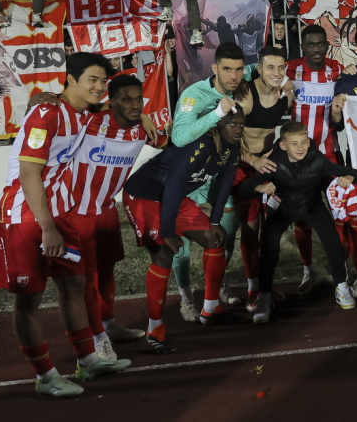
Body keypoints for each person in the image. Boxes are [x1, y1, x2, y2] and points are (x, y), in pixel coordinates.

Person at [0, 52, 129, 397]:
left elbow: (116, 108)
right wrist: (47, 227)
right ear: (70, 79)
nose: (100, 88)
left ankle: (87, 360)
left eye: (103, 82)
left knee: (74, 283)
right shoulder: (47, 113)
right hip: (27, 216)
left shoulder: (81, 112)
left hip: (60, 212)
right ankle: (45, 376)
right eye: (93, 80)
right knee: (29, 298)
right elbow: (28, 174)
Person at [123, 108, 244, 351]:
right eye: (233, 124)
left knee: (214, 239)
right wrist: (168, 231)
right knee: (164, 254)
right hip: (144, 196)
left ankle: (211, 309)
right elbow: (174, 185)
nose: (238, 129)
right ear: (217, 125)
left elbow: (224, 185)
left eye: (242, 124)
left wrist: (215, 220)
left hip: (174, 197)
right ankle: (155, 329)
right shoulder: (200, 145)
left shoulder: (232, 148)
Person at [68, 75, 164, 359]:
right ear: (111, 103)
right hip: (77, 212)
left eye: (139, 100)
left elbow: (171, 146)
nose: (135, 105)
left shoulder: (142, 129)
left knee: (107, 270)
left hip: (107, 209)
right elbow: (56, 101)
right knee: (83, 279)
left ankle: (109, 326)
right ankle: (95, 338)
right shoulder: (89, 121)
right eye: (127, 100)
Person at [237, 121, 357, 321]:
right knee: (269, 249)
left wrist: (348, 176)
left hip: (312, 206)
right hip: (282, 208)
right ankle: (264, 296)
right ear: (283, 145)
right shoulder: (272, 163)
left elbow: (354, 174)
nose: (301, 148)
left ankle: (341, 287)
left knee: (332, 242)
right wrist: (259, 188)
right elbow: (244, 189)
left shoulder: (316, 158)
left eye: (304, 142)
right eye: (294, 144)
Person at [168, 42, 254, 321]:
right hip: (189, 180)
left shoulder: (241, 81)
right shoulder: (194, 95)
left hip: (219, 176)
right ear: (215, 68)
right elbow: (179, 138)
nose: (234, 75)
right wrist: (216, 113)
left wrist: (285, 80)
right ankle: (185, 296)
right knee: (182, 246)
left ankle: (213, 289)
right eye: (227, 69)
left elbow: (265, 67)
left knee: (222, 237)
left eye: (239, 70)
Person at [230, 46, 292, 311]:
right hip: (240, 165)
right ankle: (252, 289)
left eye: (280, 67)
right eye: (270, 67)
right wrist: (252, 159)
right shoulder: (246, 95)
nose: (276, 73)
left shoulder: (286, 94)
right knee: (248, 228)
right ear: (259, 68)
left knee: (269, 229)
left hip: (264, 165)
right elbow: (226, 138)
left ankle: (263, 284)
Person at [286, 24, 346, 292]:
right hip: (298, 158)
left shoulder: (337, 69)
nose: (317, 49)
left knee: (339, 212)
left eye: (321, 44)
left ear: (327, 45)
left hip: (329, 153)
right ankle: (307, 269)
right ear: (303, 47)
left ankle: (342, 270)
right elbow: (262, 71)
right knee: (302, 217)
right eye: (311, 44)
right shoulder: (290, 69)